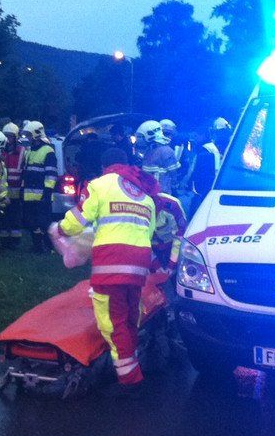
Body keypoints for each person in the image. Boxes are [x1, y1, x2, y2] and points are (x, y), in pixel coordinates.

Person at [53, 147, 182, 389]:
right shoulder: (144, 194)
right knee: (130, 317)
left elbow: (76, 222)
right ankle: (131, 361)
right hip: (139, 265)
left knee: (112, 323)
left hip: (111, 263)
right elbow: (147, 232)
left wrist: (58, 229)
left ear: (105, 167)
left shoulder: (99, 185)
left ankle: (130, 381)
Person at [21, 120, 58, 253]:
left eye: (29, 135)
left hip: (43, 195)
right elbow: (26, 173)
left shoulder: (48, 151)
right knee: (31, 223)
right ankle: (37, 246)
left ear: (36, 135)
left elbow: (51, 174)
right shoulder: (30, 151)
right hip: (29, 195)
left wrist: (47, 193)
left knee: (44, 223)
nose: (28, 138)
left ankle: (50, 247)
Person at [188, 117, 233, 216]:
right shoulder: (217, 147)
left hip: (212, 184)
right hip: (217, 182)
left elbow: (198, 171)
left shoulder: (208, 149)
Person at [0, 122, 25, 251]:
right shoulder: (1, 151)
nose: (8, 139)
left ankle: (15, 242)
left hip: (17, 191)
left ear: (15, 137)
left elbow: (24, 171)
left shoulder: (22, 151)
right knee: (3, 216)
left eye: (10, 136)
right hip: (3, 191)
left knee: (15, 217)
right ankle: (4, 241)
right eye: (6, 136)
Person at [136, 120, 181, 194]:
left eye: (141, 137)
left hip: (160, 191)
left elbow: (173, 172)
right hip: (149, 189)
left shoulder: (166, 150)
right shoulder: (150, 150)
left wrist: (174, 185)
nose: (139, 139)